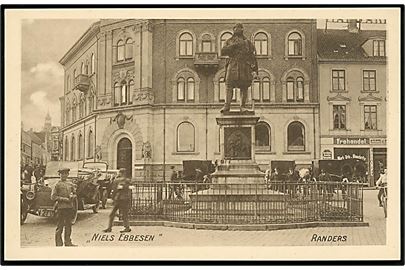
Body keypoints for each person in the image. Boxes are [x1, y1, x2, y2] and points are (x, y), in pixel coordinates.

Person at [220, 23, 258, 113]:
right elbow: (223, 51)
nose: (238, 30)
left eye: (240, 28)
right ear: (233, 30)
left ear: (242, 29)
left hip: (244, 66)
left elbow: (252, 57)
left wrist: (255, 70)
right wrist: (234, 46)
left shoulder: (248, 42)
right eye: (236, 28)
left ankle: (243, 106)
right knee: (229, 85)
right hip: (232, 64)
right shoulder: (229, 41)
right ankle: (227, 106)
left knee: (244, 86)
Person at [51, 168, 77, 247]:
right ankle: (59, 244)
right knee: (60, 226)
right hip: (61, 208)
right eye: (62, 174)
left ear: (68, 175)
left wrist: (73, 196)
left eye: (66, 174)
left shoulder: (70, 184)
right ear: (59, 175)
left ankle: (68, 242)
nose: (64, 175)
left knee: (69, 226)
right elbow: (53, 197)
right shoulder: (57, 185)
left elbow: (75, 193)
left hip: (69, 208)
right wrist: (64, 199)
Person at [103, 168, 132, 233]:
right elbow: (129, 189)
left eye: (120, 172)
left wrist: (112, 198)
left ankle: (109, 228)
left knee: (112, 214)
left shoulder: (117, 180)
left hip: (119, 199)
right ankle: (127, 227)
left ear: (121, 173)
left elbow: (114, 190)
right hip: (125, 199)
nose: (119, 173)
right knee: (124, 214)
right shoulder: (127, 180)